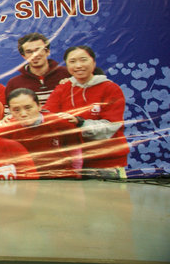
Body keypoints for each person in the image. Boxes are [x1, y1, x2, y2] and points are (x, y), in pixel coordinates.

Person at [44, 45, 129, 174]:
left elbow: (112, 126)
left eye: (83, 60)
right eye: (72, 61)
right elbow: (47, 116)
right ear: (67, 66)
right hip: (72, 162)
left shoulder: (110, 89)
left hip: (107, 161)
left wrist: (80, 123)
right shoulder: (63, 88)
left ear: (93, 63)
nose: (78, 65)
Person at [0, 88, 81, 178]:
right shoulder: (6, 130)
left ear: (39, 106)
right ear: (10, 111)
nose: (23, 114)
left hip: (60, 177)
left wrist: (77, 172)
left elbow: (75, 150)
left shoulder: (60, 123)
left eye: (28, 108)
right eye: (16, 110)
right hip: (26, 178)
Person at [5, 33, 70, 105]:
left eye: (38, 50)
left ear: (47, 51)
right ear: (23, 56)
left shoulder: (67, 74)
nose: (34, 55)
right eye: (29, 52)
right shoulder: (14, 84)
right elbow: (9, 111)